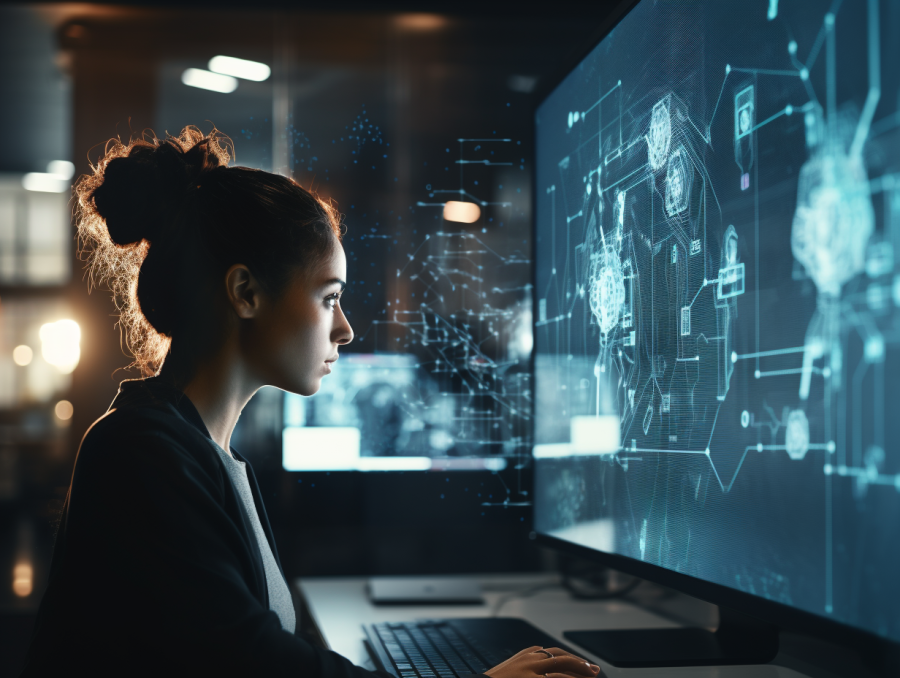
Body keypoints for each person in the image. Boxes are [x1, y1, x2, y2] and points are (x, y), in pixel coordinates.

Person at [20, 127, 603, 678]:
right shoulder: (140, 452)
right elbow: (253, 665)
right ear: (245, 293)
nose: (345, 329)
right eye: (329, 298)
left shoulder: (196, 449)